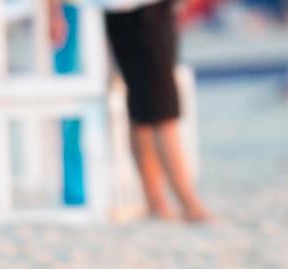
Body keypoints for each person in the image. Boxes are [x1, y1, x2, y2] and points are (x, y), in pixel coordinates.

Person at [52, 0, 211, 222]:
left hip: (122, 10)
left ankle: (157, 201)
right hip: (140, 10)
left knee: (142, 109)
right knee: (161, 109)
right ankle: (187, 202)